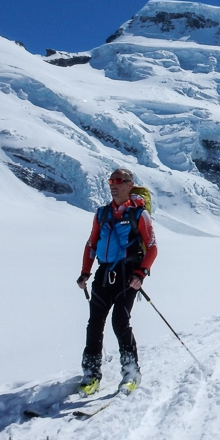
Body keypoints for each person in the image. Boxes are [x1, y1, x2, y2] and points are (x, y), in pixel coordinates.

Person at [76, 168, 157, 395]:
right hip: (104, 273)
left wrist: (140, 274)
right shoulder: (102, 214)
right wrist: (85, 272)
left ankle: (131, 372)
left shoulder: (140, 215)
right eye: (112, 180)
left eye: (120, 181)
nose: (114, 184)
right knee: (94, 324)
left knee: (120, 321)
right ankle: (91, 374)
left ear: (130, 184)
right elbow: (91, 244)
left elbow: (152, 247)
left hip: (128, 275)